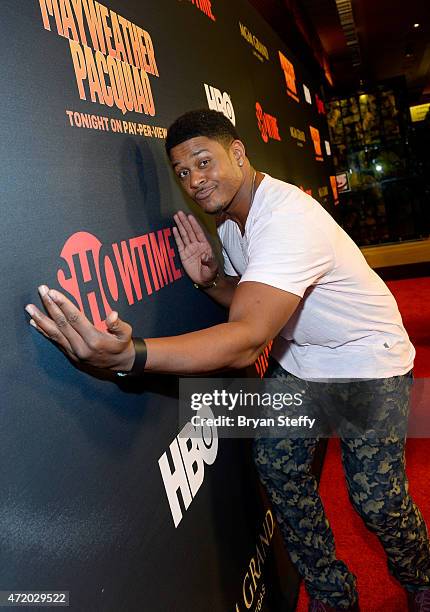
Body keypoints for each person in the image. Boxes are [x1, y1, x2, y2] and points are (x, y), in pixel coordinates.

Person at [25, 109, 430, 611]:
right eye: (182, 172)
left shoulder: (287, 218)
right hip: (302, 362)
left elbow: (246, 338)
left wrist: (131, 353)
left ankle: (421, 578)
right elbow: (255, 300)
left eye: (204, 161)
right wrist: (213, 281)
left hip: (368, 363)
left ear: (237, 152)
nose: (195, 180)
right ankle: (332, 594)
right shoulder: (234, 225)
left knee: (377, 502)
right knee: (278, 467)